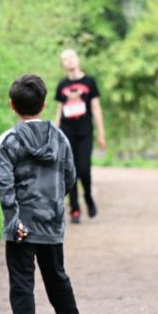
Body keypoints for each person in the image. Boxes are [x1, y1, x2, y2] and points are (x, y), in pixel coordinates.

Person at [0, 74, 85, 314]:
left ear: (12, 105)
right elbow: (70, 175)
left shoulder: (9, 140)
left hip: (21, 225)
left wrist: (13, 219)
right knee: (57, 276)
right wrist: (56, 204)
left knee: (22, 281)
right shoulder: (60, 138)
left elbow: (4, 183)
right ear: (45, 104)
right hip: (51, 220)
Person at [54, 49, 106, 223]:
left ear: (77, 59)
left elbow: (96, 108)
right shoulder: (62, 86)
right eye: (64, 59)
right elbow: (59, 110)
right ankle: (74, 209)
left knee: (84, 169)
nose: (68, 61)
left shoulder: (89, 82)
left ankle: (89, 197)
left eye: (70, 57)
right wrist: (55, 132)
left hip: (85, 131)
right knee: (70, 171)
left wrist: (101, 133)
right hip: (67, 131)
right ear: (63, 64)